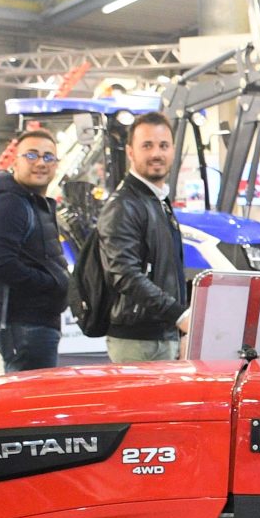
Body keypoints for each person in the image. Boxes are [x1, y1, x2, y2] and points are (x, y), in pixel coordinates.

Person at [98, 111, 188, 362]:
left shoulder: (158, 202)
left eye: (163, 145)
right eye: (147, 145)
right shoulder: (123, 206)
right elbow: (124, 275)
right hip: (137, 341)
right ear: (130, 152)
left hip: (162, 335)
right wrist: (179, 315)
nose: (156, 154)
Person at [0, 128, 68, 372]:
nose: (41, 163)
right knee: (31, 404)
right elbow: (0, 265)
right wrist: (52, 283)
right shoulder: (10, 204)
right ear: (15, 162)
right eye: (32, 155)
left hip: (35, 323)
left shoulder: (31, 201)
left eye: (48, 157)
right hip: (24, 325)